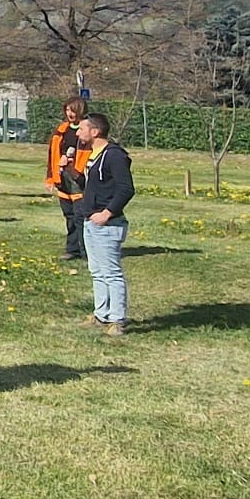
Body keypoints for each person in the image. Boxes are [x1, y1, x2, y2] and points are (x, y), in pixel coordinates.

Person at [74, 112, 135, 335]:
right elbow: (92, 184)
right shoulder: (93, 155)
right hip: (90, 222)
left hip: (107, 225)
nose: (78, 132)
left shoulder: (114, 156)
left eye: (82, 128)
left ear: (95, 131)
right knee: (97, 271)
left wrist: (107, 213)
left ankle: (117, 320)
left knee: (111, 273)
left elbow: (126, 189)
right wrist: (69, 170)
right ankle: (101, 315)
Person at [44, 96, 92, 260]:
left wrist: (71, 162)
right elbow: (52, 155)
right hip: (62, 178)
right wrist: (51, 177)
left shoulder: (88, 130)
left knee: (80, 216)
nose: (69, 113)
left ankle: (87, 251)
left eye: (72, 110)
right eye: (67, 110)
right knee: (69, 216)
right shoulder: (61, 131)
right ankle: (72, 249)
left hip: (79, 179)